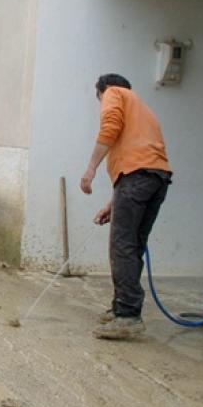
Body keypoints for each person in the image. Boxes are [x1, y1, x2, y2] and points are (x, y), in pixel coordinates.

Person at [80, 73, 172, 340]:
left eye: (100, 98)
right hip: (156, 179)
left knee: (121, 245)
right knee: (132, 246)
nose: (102, 103)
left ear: (103, 90)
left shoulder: (114, 93)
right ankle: (123, 307)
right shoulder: (142, 108)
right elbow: (143, 163)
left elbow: (110, 127)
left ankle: (128, 315)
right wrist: (113, 202)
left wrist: (90, 169)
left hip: (137, 179)